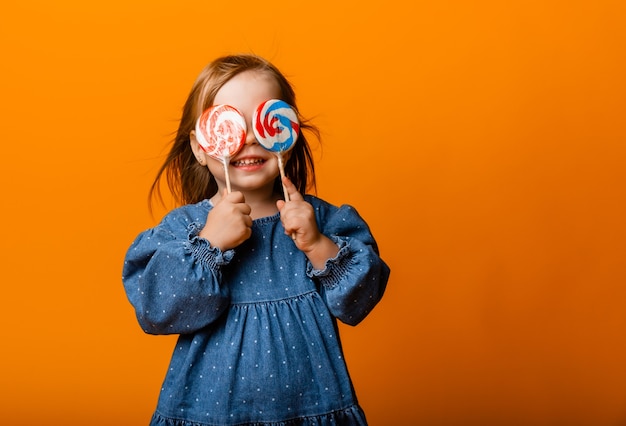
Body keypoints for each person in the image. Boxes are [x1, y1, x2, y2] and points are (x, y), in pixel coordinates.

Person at [122, 53, 390, 426]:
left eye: (262, 121)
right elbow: (155, 311)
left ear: (287, 132)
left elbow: (361, 300)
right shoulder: (184, 230)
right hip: (208, 412)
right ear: (201, 147)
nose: (247, 138)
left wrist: (317, 245)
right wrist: (208, 247)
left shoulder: (323, 221)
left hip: (312, 408)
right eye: (229, 124)